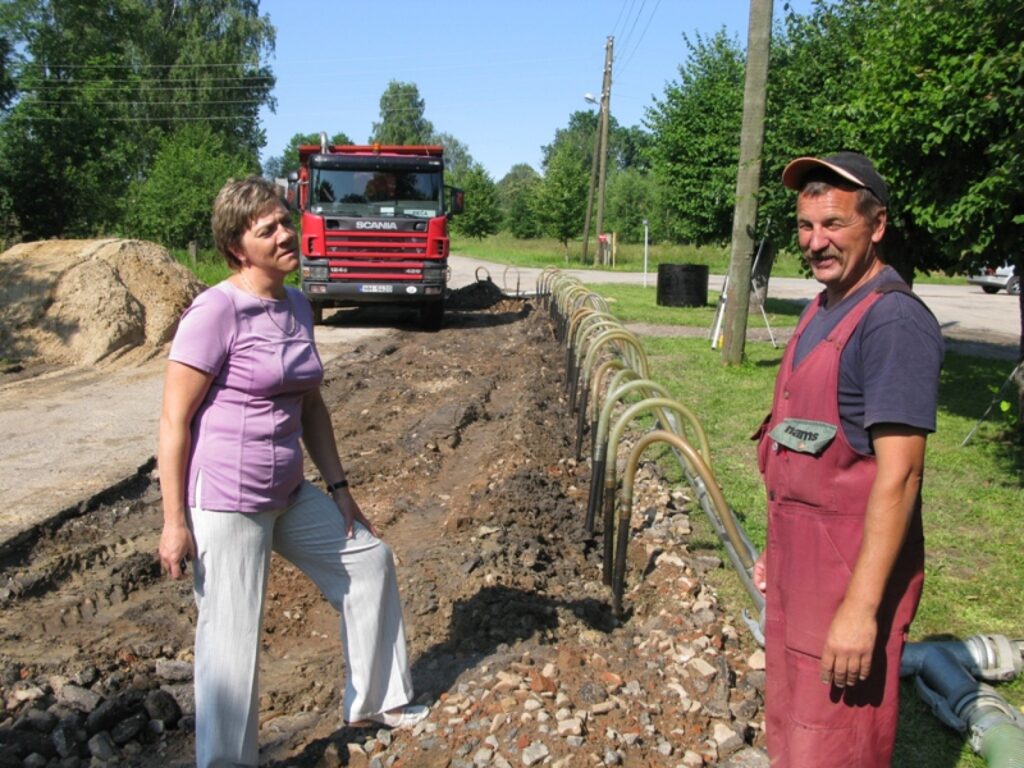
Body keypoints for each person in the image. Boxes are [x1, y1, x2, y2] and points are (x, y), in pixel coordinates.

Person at [157, 176, 427, 768]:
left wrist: (340, 489)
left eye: (285, 222)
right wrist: (175, 520)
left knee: (369, 561)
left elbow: (311, 405)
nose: (285, 235)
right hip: (227, 501)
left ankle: (379, 700)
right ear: (236, 248)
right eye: (267, 230)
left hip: (289, 489)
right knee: (230, 644)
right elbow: (174, 421)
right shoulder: (215, 311)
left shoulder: (299, 302)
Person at [752, 152, 943, 766]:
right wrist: (774, 550)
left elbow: (902, 473)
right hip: (798, 567)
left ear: (877, 225)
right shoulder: (822, 306)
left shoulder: (891, 324)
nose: (816, 242)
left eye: (834, 224)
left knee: (834, 743)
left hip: (845, 576)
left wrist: (861, 611)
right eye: (806, 227)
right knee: (794, 725)